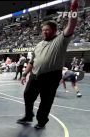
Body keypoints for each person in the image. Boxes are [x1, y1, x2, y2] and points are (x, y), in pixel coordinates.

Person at [18, 0, 79, 129]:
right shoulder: (39, 44)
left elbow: (71, 26)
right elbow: (32, 61)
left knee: (46, 101)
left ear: (55, 30)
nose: (45, 32)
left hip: (51, 77)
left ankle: (41, 121)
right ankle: (28, 115)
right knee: (28, 95)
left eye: (48, 30)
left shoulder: (60, 40)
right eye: (43, 30)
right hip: (35, 75)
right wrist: (24, 74)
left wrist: (73, 10)